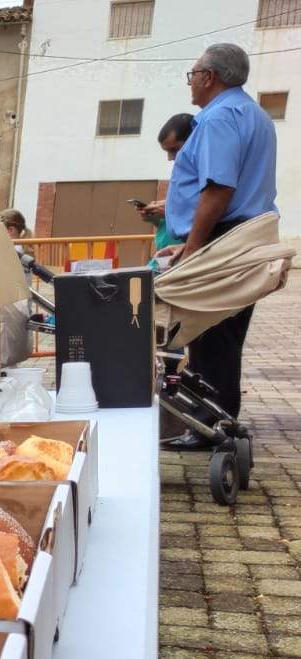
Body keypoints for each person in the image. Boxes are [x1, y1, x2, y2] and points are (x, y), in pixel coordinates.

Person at [162, 42, 277, 446]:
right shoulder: (254, 114)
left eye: (192, 75)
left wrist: (193, 248)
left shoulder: (219, 118)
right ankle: (219, 420)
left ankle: (210, 428)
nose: (190, 83)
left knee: (209, 334)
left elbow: (219, 188)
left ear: (209, 77)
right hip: (244, 234)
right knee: (225, 335)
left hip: (224, 236)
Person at [141, 114, 196, 258]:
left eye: (174, 149)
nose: (170, 158)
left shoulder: (208, 174)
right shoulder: (180, 173)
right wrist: (156, 217)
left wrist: (170, 211)